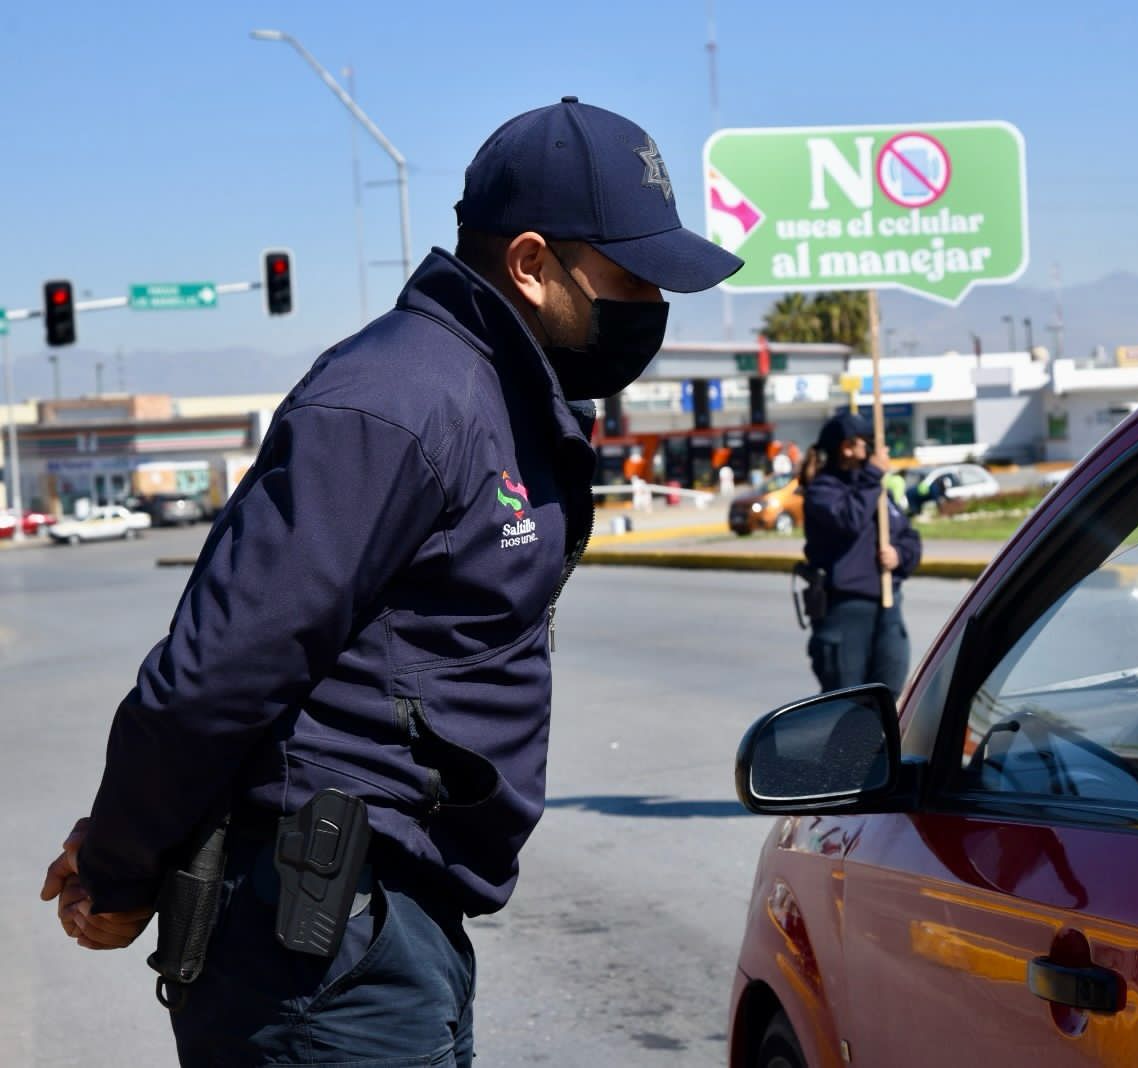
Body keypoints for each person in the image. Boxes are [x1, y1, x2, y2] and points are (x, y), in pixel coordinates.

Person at [37, 96, 741, 1064]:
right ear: (531, 266)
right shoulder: (397, 404)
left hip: (384, 934)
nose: (653, 309)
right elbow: (214, 674)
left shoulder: (494, 394)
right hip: (314, 960)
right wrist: (119, 871)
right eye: (633, 278)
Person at [800, 412, 923, 697]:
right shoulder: (824, 490)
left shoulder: (876, 491)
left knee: (887, 693)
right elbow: (849, 519)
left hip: (888, 605)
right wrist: (873, 477)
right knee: (848, 701)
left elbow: (909, 537)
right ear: (846, 447)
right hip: (846, 611)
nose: (878, 451)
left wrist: (899, 556)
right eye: (868, 443)